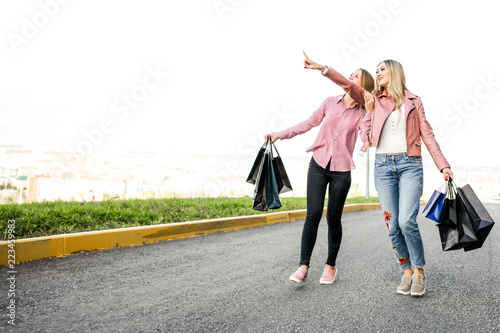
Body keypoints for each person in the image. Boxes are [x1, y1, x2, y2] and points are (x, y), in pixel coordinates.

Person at [304, 53, 453, 296]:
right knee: (392, 225)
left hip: (409, 165)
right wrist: (323, 69)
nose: (378, 73)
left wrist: (442, 164)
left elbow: (427, 134)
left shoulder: (414, 101)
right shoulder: (372, 99)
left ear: (394, 72)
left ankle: (419, 271)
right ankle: (406, 272)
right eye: (377, 69)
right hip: (383, 167)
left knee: (406, 221)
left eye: (382, 69)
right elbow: (348, 86)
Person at [265, 54, 374, 285]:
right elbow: (309, 123)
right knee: (312, 215)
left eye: (356, 77)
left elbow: (367, 135)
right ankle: (303, 266)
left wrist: (371, 114)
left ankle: (330, 266)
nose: (351, 77)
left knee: (334, 218)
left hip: (342, 170)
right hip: (318, 164)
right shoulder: (328, 102)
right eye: (351, 74)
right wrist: (280, 135)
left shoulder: (363, 112)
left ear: (362, 87)